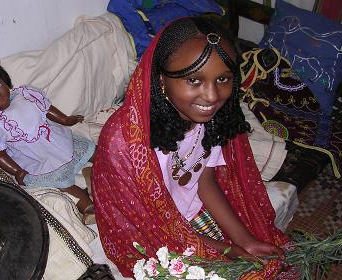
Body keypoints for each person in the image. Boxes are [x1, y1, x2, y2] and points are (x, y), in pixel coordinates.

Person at [92, 17, 298, 278]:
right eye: (194, 80)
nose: (212, 96)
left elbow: (205, 180)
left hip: (192, 213)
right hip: (151, 230)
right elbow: (144, 226)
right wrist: (227, 250)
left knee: (273, 260)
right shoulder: (126, 142)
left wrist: (244, 239)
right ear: (161, 80)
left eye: (223, 78)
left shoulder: (209, 120)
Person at [0, 61, 95, 224]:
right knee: (61, 183)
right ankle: (87, 206)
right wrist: (17, 171)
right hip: (37, 157)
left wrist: (64, 119)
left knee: (91, 150)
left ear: (4, 80)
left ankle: (98, 172)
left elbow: (46, 109)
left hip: (57, 139)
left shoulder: (26, 94)